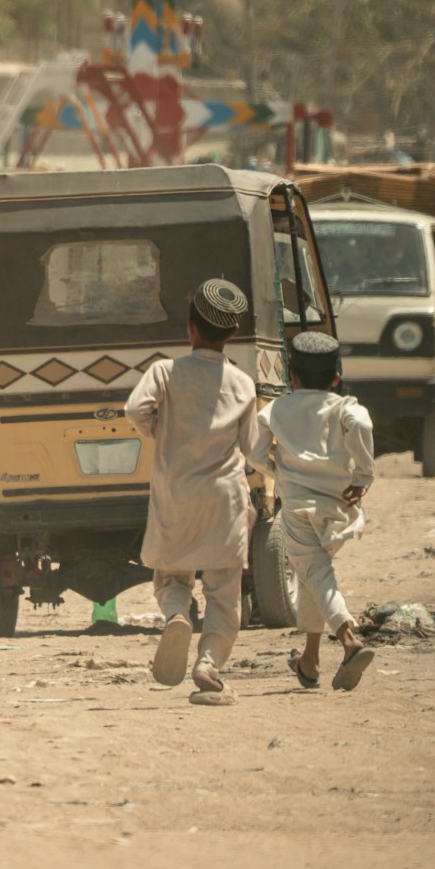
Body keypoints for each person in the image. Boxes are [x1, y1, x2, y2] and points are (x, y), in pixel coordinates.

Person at [124, 279, 259, 705]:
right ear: (233, 334)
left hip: (176, 489)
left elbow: (134, 410)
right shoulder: (243, 384)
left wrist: (158, 431)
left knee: (170, 574)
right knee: (224, 590)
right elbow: (251, 448)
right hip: (225, 495)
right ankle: (208, 664)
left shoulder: (164, 371)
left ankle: (177, 614)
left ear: (190, 328)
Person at [250, 331, 377, 692]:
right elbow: (363, 425)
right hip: (339, 507)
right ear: (336, 377)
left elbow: (255, 454)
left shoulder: (276, 409)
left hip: (297, 508)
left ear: (293, 376)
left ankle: (349, 639)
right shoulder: (344, 407)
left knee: (316, 574)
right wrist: (363, 475)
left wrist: (279, 470)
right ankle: (309, 661)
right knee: (312, 577)